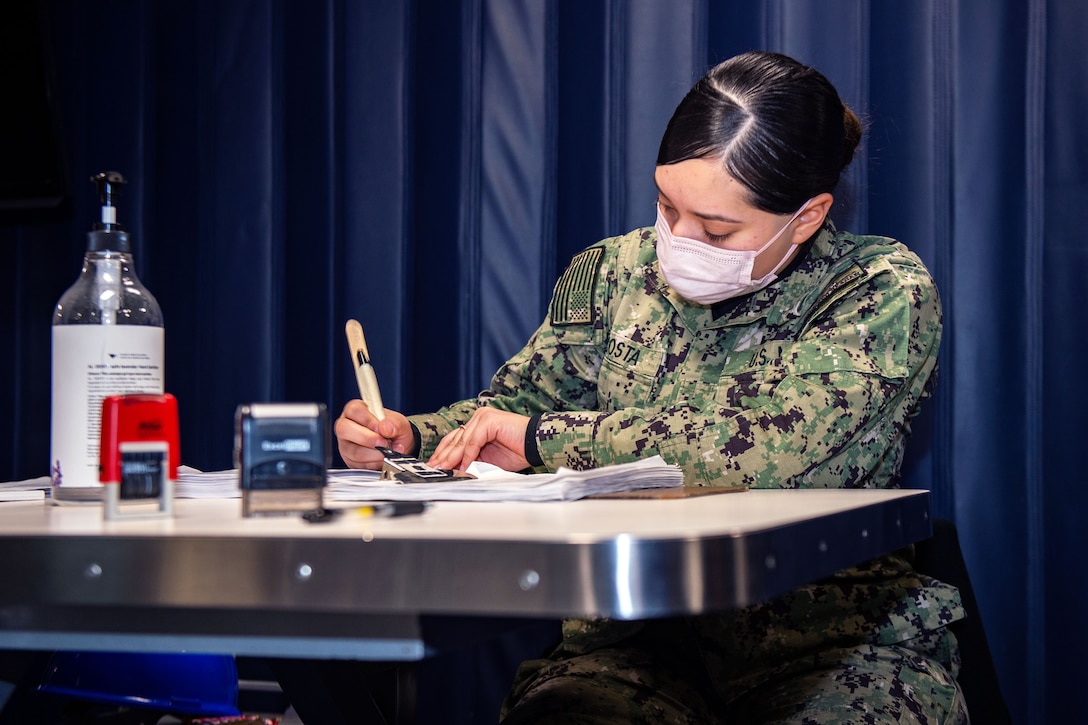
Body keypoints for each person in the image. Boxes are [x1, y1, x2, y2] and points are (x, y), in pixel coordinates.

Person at [336, 50, 967, 724]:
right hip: (629, 643)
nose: (679, 238)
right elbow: (519, 407)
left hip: (829, 645)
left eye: (717, 227)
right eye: (667, 205)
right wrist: (417, 437)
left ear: (807, 216)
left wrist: (540, 439)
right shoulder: (610, 273)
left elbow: (752, 452)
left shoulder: (877, 291)